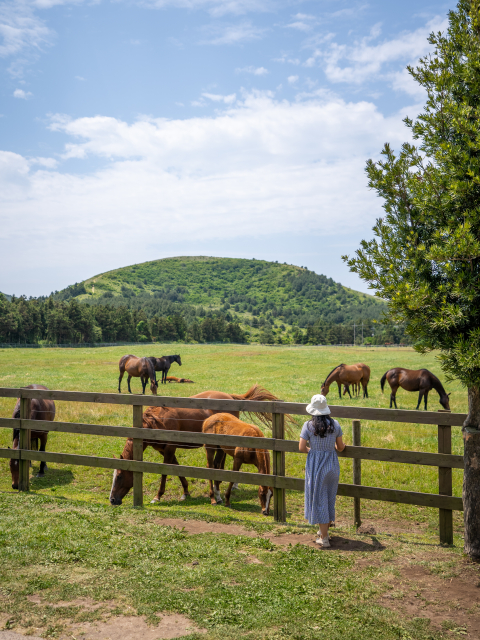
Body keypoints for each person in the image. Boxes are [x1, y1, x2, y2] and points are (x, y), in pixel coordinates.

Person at [299, 394, 346, 548]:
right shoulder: (335, 425)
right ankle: (322, 531)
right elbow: (340, 447)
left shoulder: (308, 425)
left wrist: (313, 451)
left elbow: (301, 447)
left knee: (319, 500)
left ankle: (324, 538)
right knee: (329, 498)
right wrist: (330, 448)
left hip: (315, 466)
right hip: (332, 465)